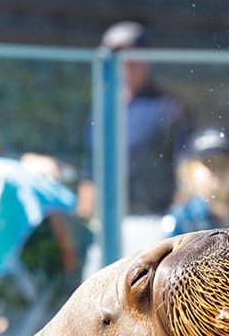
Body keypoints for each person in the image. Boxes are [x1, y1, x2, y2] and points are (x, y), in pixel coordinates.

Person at [79, 21, 193, 235]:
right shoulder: (102, 108)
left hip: (152, 223)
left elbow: (186, 167)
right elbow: (91, 168)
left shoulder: (169, 108)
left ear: (146, 58)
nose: (125, 64)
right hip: (106, 226)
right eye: (117, 57)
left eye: (130, 55)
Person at [162, 127, 229, 236]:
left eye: (223, 163)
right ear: (190, 170)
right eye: (208, 163)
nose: (216, 170)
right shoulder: (181, 218)